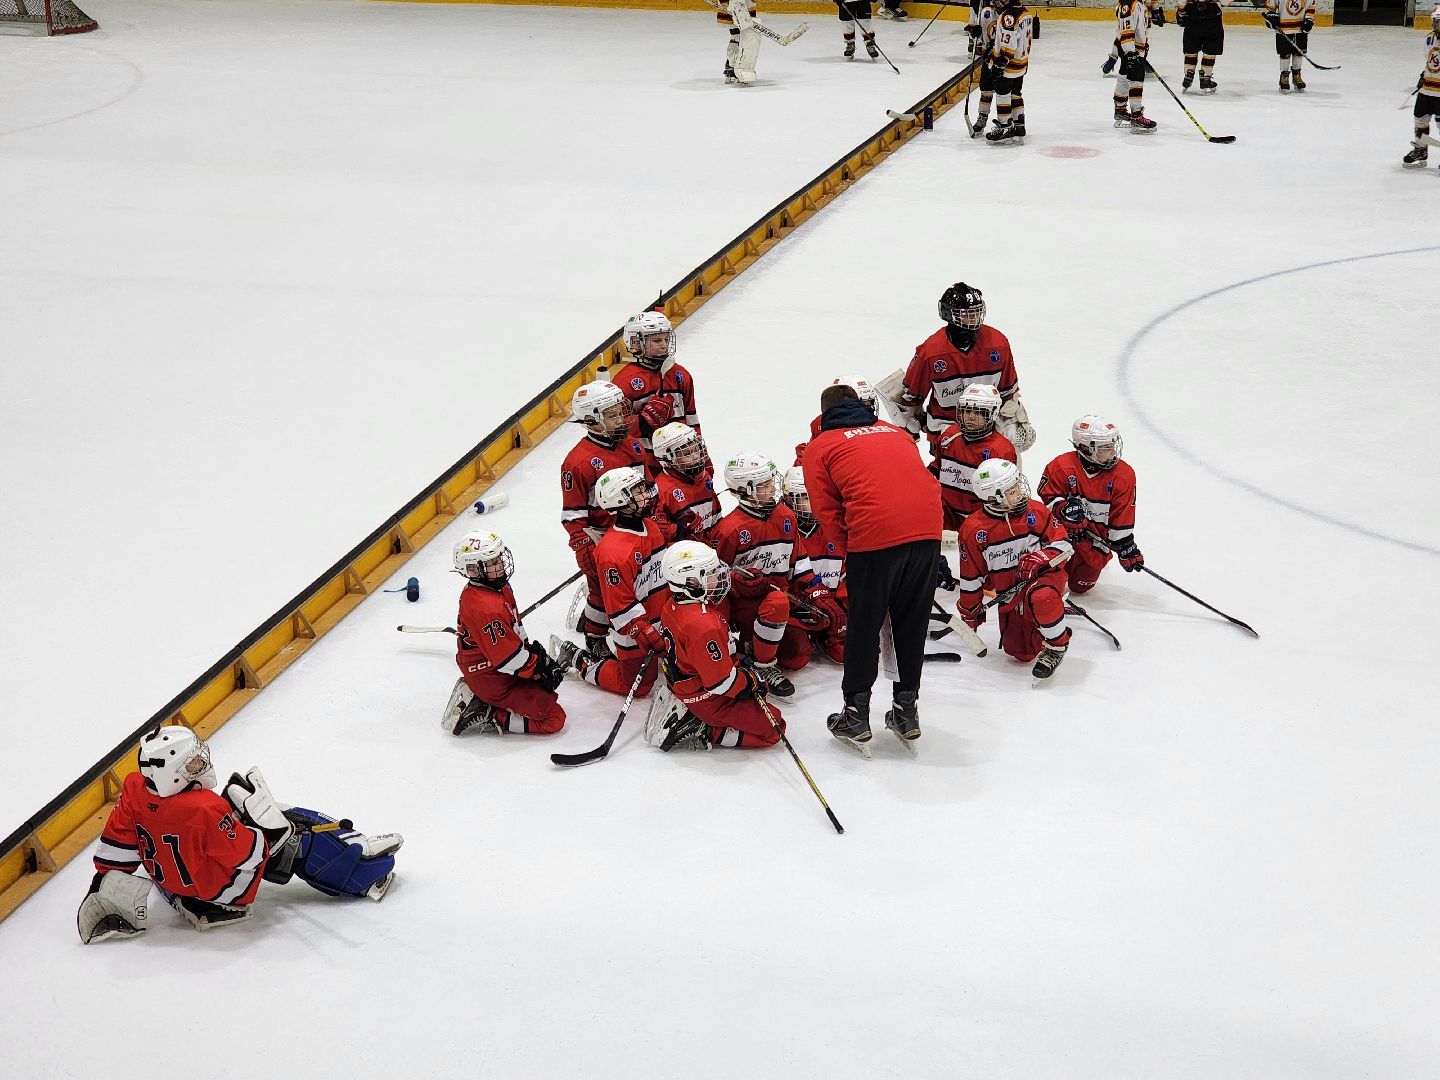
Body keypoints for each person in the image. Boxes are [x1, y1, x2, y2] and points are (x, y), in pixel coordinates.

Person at [78, 726, 401, 941]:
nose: (200, 766)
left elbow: (114, 851)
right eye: (191, 766)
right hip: (218, 895)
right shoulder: (205, 808)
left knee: (248, 806)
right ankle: (364, 873)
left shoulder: (136, 789)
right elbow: (249, 853)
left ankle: (343, 850)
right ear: (169, 775)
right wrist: (275, 831)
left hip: (172, 887)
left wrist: (103, 888)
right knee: (297, 840)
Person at [802, 384, 942, 748]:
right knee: (911, 623)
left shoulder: (821, 446)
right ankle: (906, 709)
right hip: (928, 530)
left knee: (863, 627)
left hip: (875, 536)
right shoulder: (895, 433)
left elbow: (826, 512)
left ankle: (855, 715)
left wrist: (855, 550)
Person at [711, 453, 844, 697]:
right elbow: (713, 580)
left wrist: (819, 594)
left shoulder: (786, 517)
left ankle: (758, 656)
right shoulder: (730, 529)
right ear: (745, 490)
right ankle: (748, 661)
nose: (772, 489)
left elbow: (799, 563)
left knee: (796, 655)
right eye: (764, 485)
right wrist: (735, 582)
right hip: (742, 607)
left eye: (771, 481)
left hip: (776, 607)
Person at [645, 542, 785, 752]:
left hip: (688, 682)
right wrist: (750, 681)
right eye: (710, 573)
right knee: (776, 729)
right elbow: (720, 684)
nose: (718, 577)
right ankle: (705, 728)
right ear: (691, 581)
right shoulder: (703, 625)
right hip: (707, 698)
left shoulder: (673, 604)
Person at [552, 466, 667, 699]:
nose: (645, 495)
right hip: (636, 626)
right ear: (619, 500)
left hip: (664, 616)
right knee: (637, 687)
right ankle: (579, 660)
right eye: (636, 492)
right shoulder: (613, 553)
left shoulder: (651, 527)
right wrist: (642, 630)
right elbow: (618, 606)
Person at [954, 459, 1073, 680]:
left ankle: (1057, 646)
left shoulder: (1035, 512)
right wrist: (970, 609)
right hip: (1010, 593)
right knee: (1022, 653)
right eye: (1011, 490)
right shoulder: (974, 530)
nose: (1019, 492)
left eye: (1017, 485)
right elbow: (972, 575)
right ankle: (1050, 625)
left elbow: (1065, 544)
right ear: (994, 497)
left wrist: (1043, 556)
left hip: (1045, 579)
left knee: (1043, 597)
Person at [441, 531, 567, 737]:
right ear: (473, 570)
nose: (499, 564)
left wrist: (532, 653)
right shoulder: (485, 607)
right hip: (490, 677)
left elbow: (514, 627)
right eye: (491, 562)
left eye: (498, 558)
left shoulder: (499, 587)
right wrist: (539, 665)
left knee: (545, 692)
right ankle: (487, 710)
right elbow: (507, 659)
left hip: (497, 666)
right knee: (554, 718)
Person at [896, 282, 1034, 464]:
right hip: (947, 431)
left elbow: (1008, 393)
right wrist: (911, 423)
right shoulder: (931, 352)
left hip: (989, 430)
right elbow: (911, 399)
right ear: (948, 314)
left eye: (977, 313)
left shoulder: (998, 344)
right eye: (967, 315)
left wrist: (1011, 421)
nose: (975, 319)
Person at [560, 380, 649, 657]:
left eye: (621, 411)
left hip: (634, 530)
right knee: (602, 591)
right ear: (592, 420)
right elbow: (573, 514)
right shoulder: (577, 462)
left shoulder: (633, 446)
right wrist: (583, 545)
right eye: (612, 415)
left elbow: (647, 488)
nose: (622, 419)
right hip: (603, 540)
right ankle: (594, 633)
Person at [1035, 415, 1142, 594]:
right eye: (1104, 447)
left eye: (1112, 445)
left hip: (1094, 541)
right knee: (1047, 575)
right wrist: (1063, 509)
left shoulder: (1124, 475)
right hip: (1060, 534)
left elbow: (1122, 515)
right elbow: (1046, 501)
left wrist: (1125, 545)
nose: (1112, 451)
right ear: (1084, 447)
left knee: (1080, 585)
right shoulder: (1061, 466)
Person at [611, 310, 703, 471]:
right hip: (645, 466)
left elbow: (692, 422)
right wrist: (644, 422)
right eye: (656, 340)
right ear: (636, 342)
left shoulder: (681, 375)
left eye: (666, 339)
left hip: (682, 463)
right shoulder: (624, 383)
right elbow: (614, 432)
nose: (664, 344)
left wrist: (704, 461)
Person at [782, 465, 848, 664]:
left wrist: (843, 611)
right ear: (788, 500)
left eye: (815, 495)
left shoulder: (836, 527)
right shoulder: (781, 530)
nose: (811, 503)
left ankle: (826, 635)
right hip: (796, 612)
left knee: (847, 654)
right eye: (803, 497)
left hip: (830, 608)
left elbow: (847, 575)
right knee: (795, 656)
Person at [935, 383, 1018, 536]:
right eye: (966, 410)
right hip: (943, 519)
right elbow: (937, 468)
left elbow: (1006, 497)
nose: (970, 416)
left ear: (992, 414)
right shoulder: (948, 436)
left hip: (980, 525)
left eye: (978, 412)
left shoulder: (1001, 450)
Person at [651, 421, 722, 541]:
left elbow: (715, 517)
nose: (695, 456)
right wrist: (684, 531)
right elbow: (661, 536)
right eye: (687, 453)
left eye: (696, 449)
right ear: (667, 459)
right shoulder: (661, 491)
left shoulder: (705, 477)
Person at [983, 0, 1034, 144]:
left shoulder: (1008, 16)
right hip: (1022, 63)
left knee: (1002, 94)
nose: (996, 2)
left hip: (1009, 66)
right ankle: (1019, 125)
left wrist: (999, 63)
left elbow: (1008, 43)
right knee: (1016, 94)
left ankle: (1005, 126)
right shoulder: (1025, 13)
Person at [1111, 0, 1157, 132]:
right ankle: (1136, 116)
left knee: (1124, 75)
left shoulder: (1137, 3)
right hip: (1131, 49)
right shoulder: (1130, 3)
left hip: (1130, 48)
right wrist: (1131, 53)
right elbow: (1126, 29)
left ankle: (1120, 109)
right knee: (1136, 78)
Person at [1403, 8, 1440, 169]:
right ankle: (1421, 149)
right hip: (1427, 89)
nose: (1436, 24)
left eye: (1439, 21)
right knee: (1420, 118)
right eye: (1436, 21)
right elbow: (1429, 61)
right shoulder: (1430, 38)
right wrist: (1423, 75)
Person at [1263, 0, 1315, 93]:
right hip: (1283, 27)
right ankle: (1284, 76)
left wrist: (1309, 19)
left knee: (1298, 53)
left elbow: (1310, 5)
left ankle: (1297, 75)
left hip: (1301, 27)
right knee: (1285, 54)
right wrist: (1271, 15)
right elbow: (1270, 5)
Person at [965, 1, 1000, 137]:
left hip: (1005, 58)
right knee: (985, 88)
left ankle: (1008, 121)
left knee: (1005, 92)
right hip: (988, 58)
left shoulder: (1010, 13)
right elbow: (982, 33)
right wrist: (976, 33)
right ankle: (982, 117)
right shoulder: (985, 11)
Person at [1175, 0, 1223, 93]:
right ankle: (1205, 79)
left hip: (1192, 19)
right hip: (1213, 20)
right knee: (1210, 50)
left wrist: (1181, 12)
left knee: (1191, 49)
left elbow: (1181, 2)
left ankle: (1188, 76)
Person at [719, 0, 761, 84]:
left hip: (745, 4)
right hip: (733, 3)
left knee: (743, 35)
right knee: (737, 35)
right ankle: (733, 65)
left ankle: (732, 66)